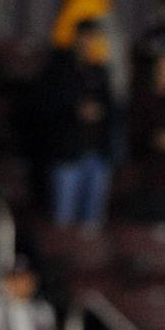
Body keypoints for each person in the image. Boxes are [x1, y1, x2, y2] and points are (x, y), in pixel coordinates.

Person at [37, 21, 116, 227]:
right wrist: (75, 109)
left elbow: (111, 107)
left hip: (96, 152)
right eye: (86, 37)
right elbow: (45, 106)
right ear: (77, 38)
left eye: (93, 38)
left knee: (92, 224)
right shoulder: (57, 70)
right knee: (63, 220)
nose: (89, 43)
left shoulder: (100, 71)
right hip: (67, 153)